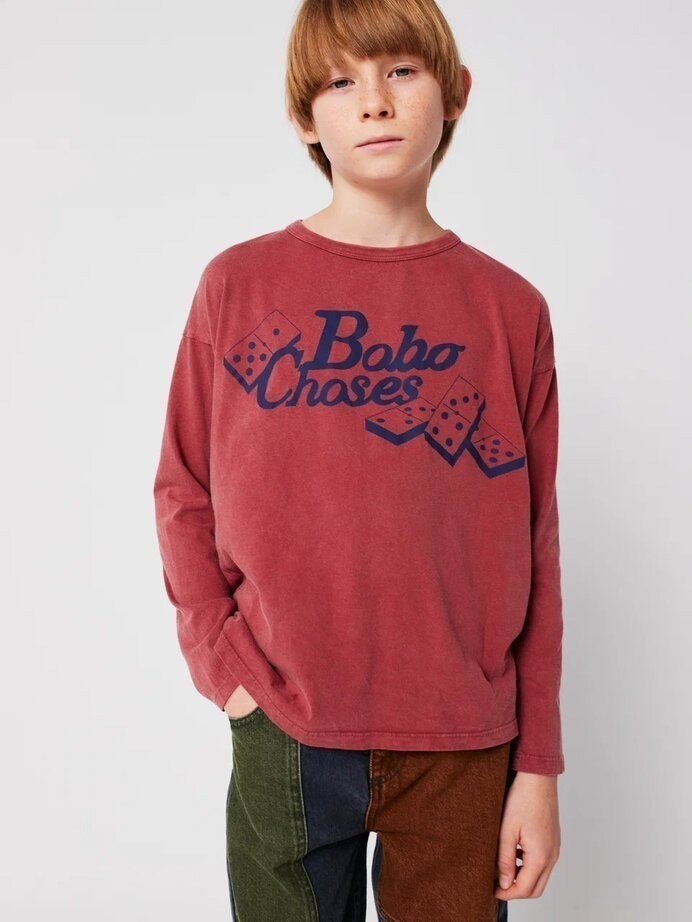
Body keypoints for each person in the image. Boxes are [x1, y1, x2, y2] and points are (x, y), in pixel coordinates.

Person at [153, 0, 564, 918]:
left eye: (400, 72)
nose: (374, 101)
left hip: (465, 738)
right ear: (304, 117)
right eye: (341, 82)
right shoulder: (239, 286)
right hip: (287, 723)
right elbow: (184, 487)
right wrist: (225, 669)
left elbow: (536, 542)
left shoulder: (510, 310)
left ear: (456, 92)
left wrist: (537, 764)